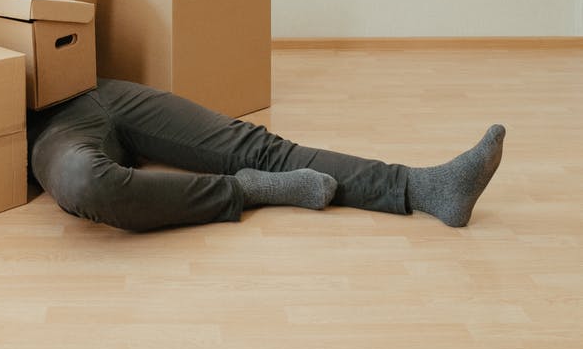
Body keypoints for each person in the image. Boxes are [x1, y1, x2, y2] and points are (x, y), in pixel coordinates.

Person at [29, 78, 505, 233]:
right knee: (90, 183)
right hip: (44, 128)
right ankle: (250, 189)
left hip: (92, 86)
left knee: (259, 147)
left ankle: (424, 187)